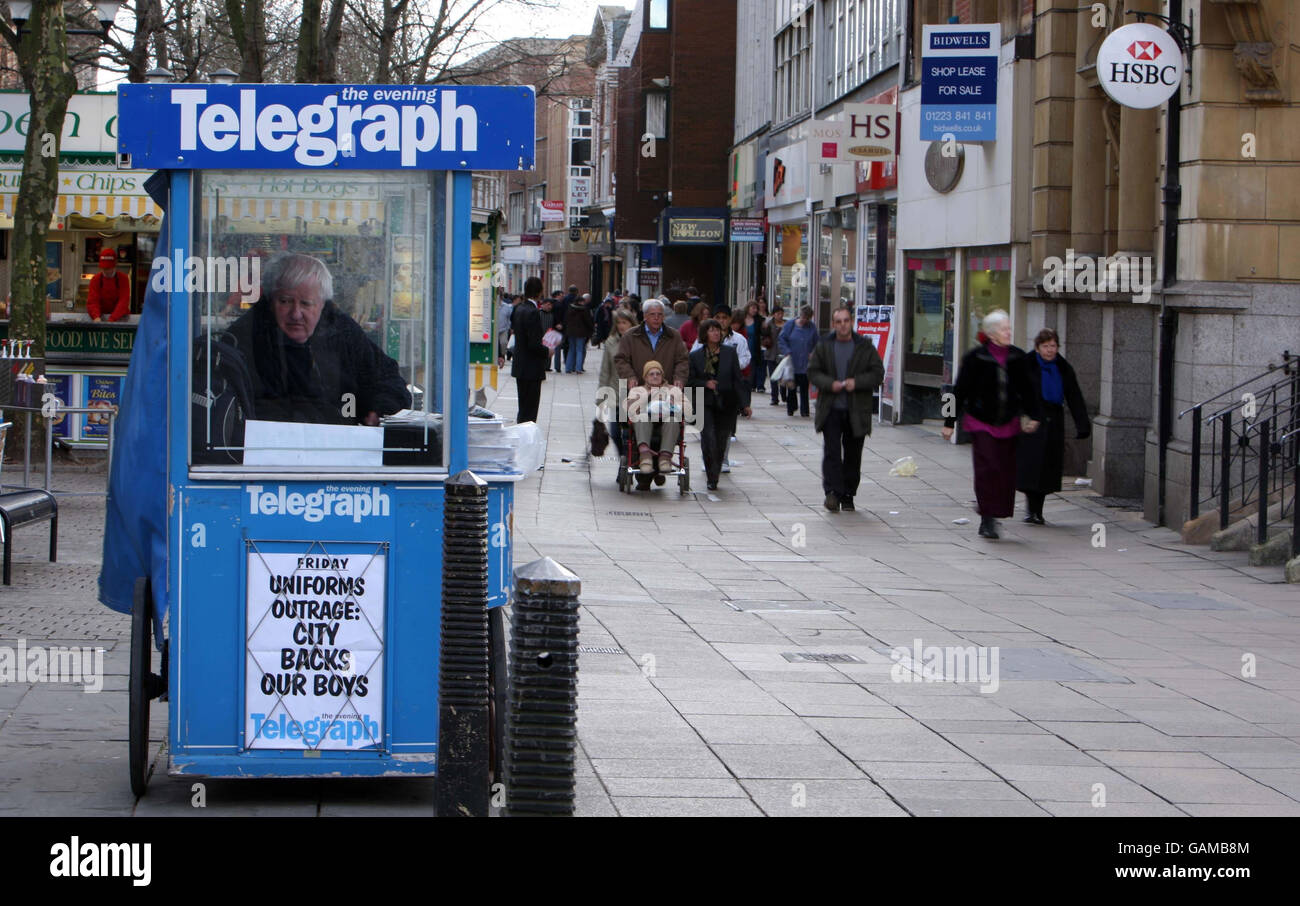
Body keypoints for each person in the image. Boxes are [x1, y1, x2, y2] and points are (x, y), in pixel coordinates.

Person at [225, 253, 410, 425]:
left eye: (306, 303)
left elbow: (388, 379)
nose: (296, 314)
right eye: (285, 301)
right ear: (271, 301)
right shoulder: (246, 339)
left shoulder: (342, 330)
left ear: (323, 304)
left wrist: (380, 409)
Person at [942, 310, 1041, 539]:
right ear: (992, 334)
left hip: (1009, 422)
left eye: (1009, 328)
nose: (1009, 332)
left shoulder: (1018, 357)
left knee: (1006, 471)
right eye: (1005, 329)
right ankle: (987, 517)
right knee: (987, 468)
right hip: (981, 421)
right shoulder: (976, 358)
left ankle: (997, 512)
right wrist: (949, 422)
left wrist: (1034, 415)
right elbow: (958, 391)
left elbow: (1029, 389)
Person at [808, 305, 885, 512]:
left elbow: (878, 374)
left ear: (851, 322)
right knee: (832, 451)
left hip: (856, 409)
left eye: (846, 321)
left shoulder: (864, 346)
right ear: (834, 325)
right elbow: (813, 372)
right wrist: (828, 383)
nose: (843, 325)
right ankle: (832, 493)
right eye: (838, 321)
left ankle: (848, 494)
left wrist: (857, 382)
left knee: (853, 453)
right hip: (831, 407)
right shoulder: (824, 345)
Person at [1016, 328, 1091, 524]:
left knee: (1048, 467)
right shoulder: (1027, 364)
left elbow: (1074, 395)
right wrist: (1022, 415)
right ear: (1038, 347)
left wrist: (1082, 425)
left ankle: (1038, 511)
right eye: (1046, 346)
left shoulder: (1063, 367)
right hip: (1033, 418)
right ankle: (1030, 510)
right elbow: (1018, 391)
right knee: (1032, 465)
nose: (1050, 350)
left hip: (1054, 419)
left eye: (1053, 346)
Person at [687, 319, 742, 491]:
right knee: (708, 437)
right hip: (704, 402)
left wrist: (744, 403)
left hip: (726, 402)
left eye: (717, 330)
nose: (716, 333)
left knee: (721, 441)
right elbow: (690, 381)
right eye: (711, 330)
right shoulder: (695, 356)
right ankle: (712, 477)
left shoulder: (730, 353)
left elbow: (737, 378)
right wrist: (705, 384)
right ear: (704, 334)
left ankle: (715, 471)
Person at [627, 360, 689, 477]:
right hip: (645, 427)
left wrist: (674, 404)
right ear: (645, 377)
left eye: (658, 373)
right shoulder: (637, 391)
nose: (655, 376)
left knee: (672, 420)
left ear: (662, 376)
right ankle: (645, 457)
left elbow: (688, 408)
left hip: (666, 426)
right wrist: (647, 396)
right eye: (651, 374)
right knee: (642, 417)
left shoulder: (673, 390)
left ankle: (665, 458)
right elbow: (629, 409)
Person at [500, 276, 549, 424]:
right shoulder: (533, 312)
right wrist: (547, 351)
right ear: (539, 292)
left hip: (520, 364)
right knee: (530, 409)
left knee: (523, 406)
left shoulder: (518, 308)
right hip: (532, 367)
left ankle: (521, 432)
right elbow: (533, 344)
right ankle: (526, 437)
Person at [614, 297, 689, 391]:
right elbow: (621, 359)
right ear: (645, 316)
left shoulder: (674, 336)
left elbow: (682, 360)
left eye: (660, 314)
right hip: (639, 389)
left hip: (667, 389)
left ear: (664, 317)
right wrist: (629, 377)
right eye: (652, 314)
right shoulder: (630, 335)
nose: (656, 318)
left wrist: (679, 377)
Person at [598, 309, 637, 460]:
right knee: (615, 431)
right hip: (616, 391)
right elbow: (605, 370)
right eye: (619, 323)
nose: (621, 326)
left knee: (630, 431)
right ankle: (623, 457)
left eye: (624, 322)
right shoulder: (611, 342)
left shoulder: (638, 341)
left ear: (631, 323)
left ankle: (630, 459)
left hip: (634, 393)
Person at [778, 305, 819, 417]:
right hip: (792, 362)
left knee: (805, 387)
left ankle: (805, 411)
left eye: (807, 318)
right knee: (791, 387)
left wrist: (813, 352)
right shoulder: (790, 325)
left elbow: (817, 343)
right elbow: (782, 339)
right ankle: (791, 408)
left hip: (805, 364)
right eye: (803, 317)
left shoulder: (812, 328)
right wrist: (786, 351)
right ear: (800, 315)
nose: (804, 320)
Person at [87, 247, 131, 322]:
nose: (106, 270)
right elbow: (93, 301)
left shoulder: (123, 279)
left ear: (114, 265)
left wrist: (112, 319)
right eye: (104, 268)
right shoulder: (96, 279)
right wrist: (96, 317)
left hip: (120, 318)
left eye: (108, 268)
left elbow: (123, 302)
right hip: (101, 317)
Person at [564, 293, 594, 374]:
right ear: (581, 302)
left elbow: (566, 319)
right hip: (581, 333)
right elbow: (588, 321)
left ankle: (568, 368)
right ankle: (578, 368)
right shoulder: (584, 309)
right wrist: (592, 329)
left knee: (571, 349)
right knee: (579, 350)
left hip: (571, 332)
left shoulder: (570, 308)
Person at [764, 305, 787, 406]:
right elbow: (764, 336)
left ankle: (783, 393)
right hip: (771, 353)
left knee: (782, 376)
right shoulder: (769, 324)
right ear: (774, 314)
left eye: (781, 313)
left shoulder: (786, 324)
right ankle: (774, 398)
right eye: (778, 314)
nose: (780, 315)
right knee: (773, 377)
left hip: (783, 354)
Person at [744, 301, 766, 394]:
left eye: (756, 308)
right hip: (745, 344)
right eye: (753, 308)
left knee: (755, 365)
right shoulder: (742, 318)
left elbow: (763, 333)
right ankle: (750, 384)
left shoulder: (759, 320)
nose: (755, 310)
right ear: (748, 308)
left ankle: (757, 385)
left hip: (755, 345)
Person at [546, 290, 565, 372]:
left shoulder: (549, 303)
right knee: (557, 348)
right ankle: (557, 366)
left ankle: (547, 365)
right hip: (557, 328)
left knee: (548, 345)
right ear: (557, 296)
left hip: (549, 327)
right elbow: (560, 316)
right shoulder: (559, 305)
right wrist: (559, 324)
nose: (562, 297)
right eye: (561, 295)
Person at [496, 293, 514, 361]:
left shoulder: (506, 307)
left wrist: (509, 327)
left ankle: (502, 355)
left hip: (503, 329)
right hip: (494, 329)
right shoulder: (492, 306)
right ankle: (497, 356)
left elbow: (510, 318)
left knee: (503, 343)